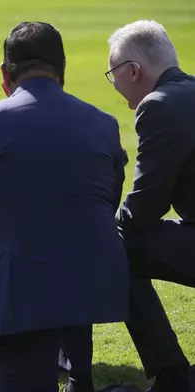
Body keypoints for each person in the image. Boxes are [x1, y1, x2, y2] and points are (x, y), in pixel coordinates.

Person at [0, 22, 129, 392]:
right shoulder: (104, 124)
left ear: (4, 75)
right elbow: (106, 200)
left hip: (18, 285)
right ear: (62, 70)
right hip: (88, 281)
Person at [106, 20, 195, 392]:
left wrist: (104, 227)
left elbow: (144, 208)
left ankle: (172, 373)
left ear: (133, 71)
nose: (116, 86)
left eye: (113, 75)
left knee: (115, 246)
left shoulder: (159, 106)